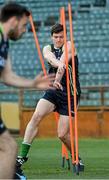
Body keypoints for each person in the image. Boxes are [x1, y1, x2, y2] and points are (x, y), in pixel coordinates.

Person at [16, 23, 84, 178]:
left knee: (62, 134)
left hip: (70, 94)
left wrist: (58, 76)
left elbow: (63, 64)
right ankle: (22, 156)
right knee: (36, 116)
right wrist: (58, 66)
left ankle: (76, 157)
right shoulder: (48, 48)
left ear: (64, 37)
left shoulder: (69, 45)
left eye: (61, 37)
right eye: (56, 37)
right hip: (53, 90)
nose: (59, 39)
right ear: (51, 37)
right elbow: (50, 58)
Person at [0, 2, 55, 179]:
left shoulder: (5, 41)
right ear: (14, 21)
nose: (25, 30)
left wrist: (33, 83)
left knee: (9, 147)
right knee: (8, 147)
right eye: (24, 25)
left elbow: (8, 77)